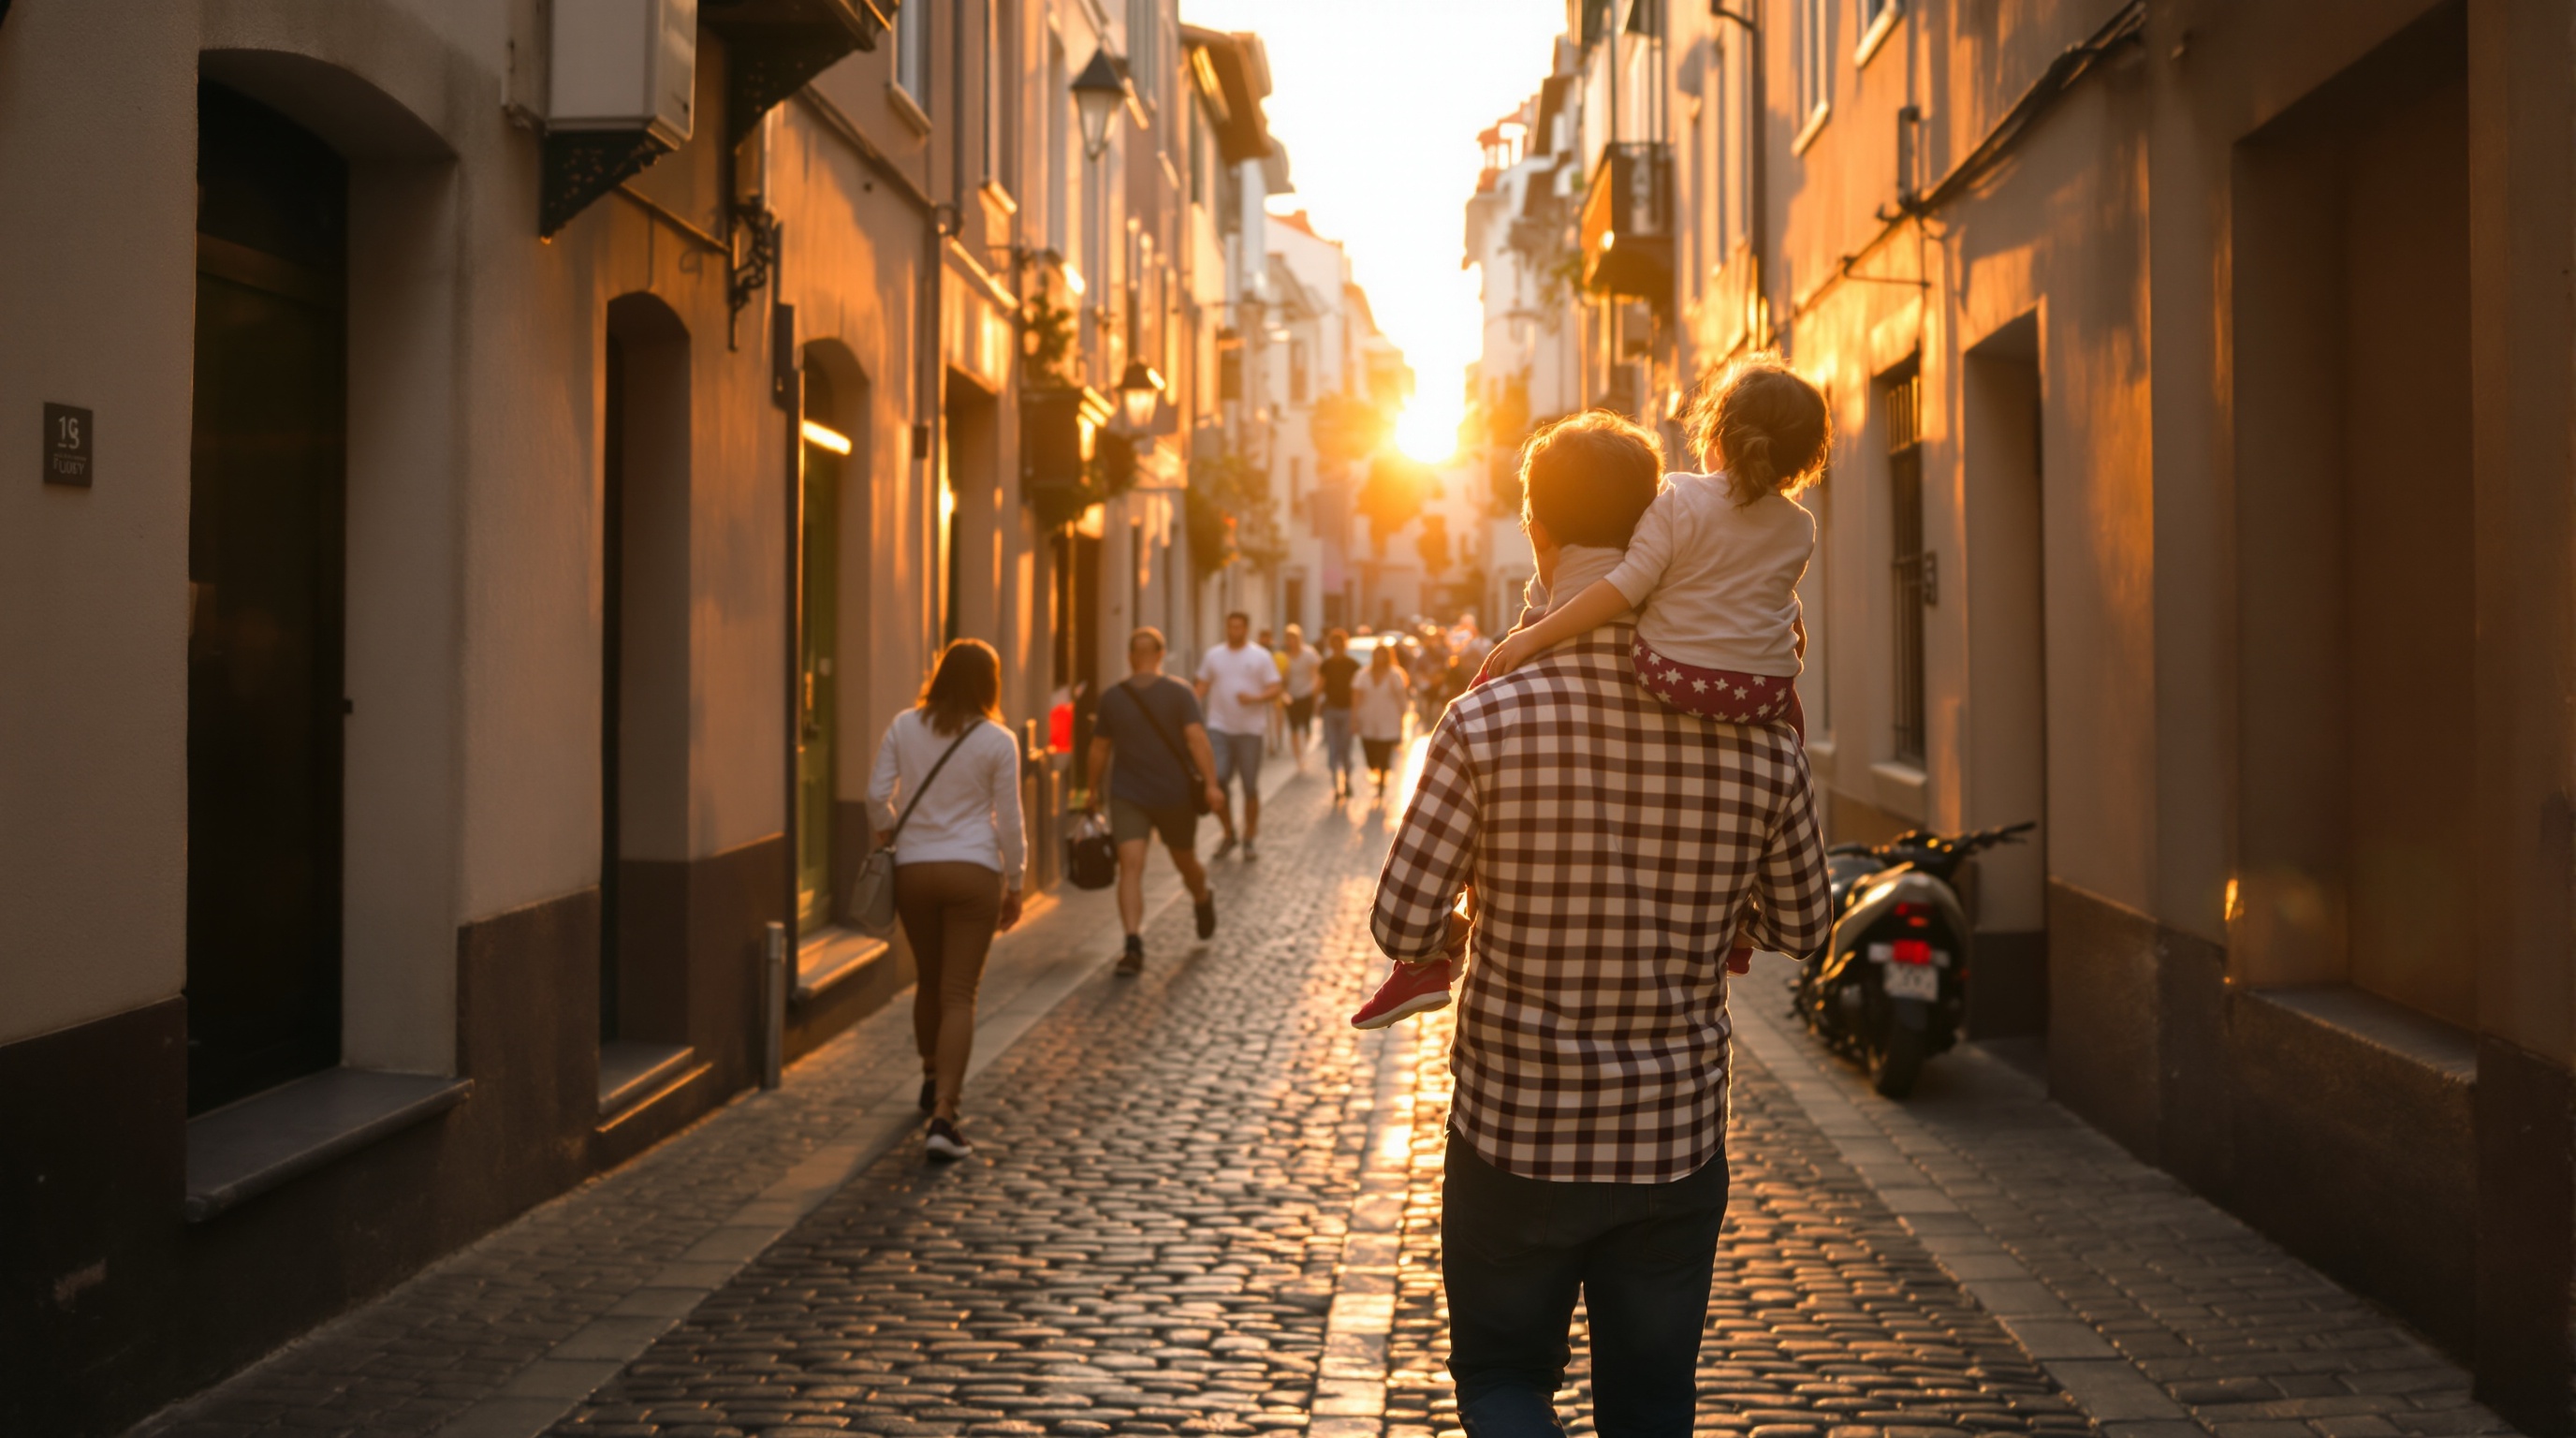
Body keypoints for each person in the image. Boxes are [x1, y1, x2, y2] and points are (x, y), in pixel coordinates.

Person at [1368, 408, 1833, 1438]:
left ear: (1538, 534)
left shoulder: (1487, 716)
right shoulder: (1760, 735)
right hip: (1671, 1137)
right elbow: (1805, 924)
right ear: (1661, 525)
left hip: (1513, 1128)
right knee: (1653, 1401)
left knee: (1501, 1381)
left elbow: (1401, 918)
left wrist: (1450, 930)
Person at [866, 638, 1029, 1162]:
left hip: (914, 870)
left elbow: (875, 794)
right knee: (960, 993)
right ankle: (944, 1115)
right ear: (990, 683)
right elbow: (1011, 818)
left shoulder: (904, 725)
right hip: (973, 870)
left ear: (940, 676)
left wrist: (887, 832)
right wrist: (1017, 881)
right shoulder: (998, 740)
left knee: (929, 980)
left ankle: (929, 1074)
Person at [1086, 626, 1224, 975]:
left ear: (1132, 656)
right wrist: (1211, 784)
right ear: (1161, 654)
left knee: (1158, 865)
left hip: (1160, 795)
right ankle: (1132, 943)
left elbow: (1098, 749)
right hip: (1136, 795)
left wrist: (1090, 790)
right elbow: (1198, 741)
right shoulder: (1174, 692)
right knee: (1152, 864)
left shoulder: (1117, 696)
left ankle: (1201, 895)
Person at [1195, 611, 1283, 859]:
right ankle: (1228, 833)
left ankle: (1249, 838)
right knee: (1217, 780)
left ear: (1246, 629)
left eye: (1239, 628)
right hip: (1219, 728)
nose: (1234, 631)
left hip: (1250, 731)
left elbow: (1275, 688)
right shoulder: (1214, 655)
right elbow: (1200, 687)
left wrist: (1255, 698)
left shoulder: (1260, 656)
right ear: (1226, 628)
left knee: (1249, 787)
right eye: (1230, 627)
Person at [1352, 640, 1411, 799]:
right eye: (1376, 655)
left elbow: (1401, 699)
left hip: (1388, 721)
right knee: (1370, 755)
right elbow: (1356, 697)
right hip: (1368, 721)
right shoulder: (1363, 674)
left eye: (1382, 655)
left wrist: (1402, 720)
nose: (1379, 658)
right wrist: (1354, 718)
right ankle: (1375, 771)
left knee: (1384, 754)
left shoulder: (1395, 675)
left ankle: (1382, 782)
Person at [1316, 629, 1361, 799]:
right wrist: (1316, 705)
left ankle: (1347, 781)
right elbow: (1320, 685)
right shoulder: (1326, 664)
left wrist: (1357, 715)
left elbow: (1358, 690)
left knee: (1345, 748)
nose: (1337, 648)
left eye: (1339, 645)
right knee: (1333, 749)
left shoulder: (1352, 664)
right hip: (1331, 710)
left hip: (1347, 710)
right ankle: (1336, 785)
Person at [1280, 624, 1323, 767]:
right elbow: (1282, 677)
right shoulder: (1284, 656)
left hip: (1306, 694)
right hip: (1291, 695)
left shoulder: (1309, 654)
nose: (1291, 641)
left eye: (1293, 638)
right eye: (1288, 639)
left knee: (1306, 725)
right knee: (1293, 728)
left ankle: (1305, 749)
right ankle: (1298, 757)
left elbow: (1316, 673)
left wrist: (1315, 692)